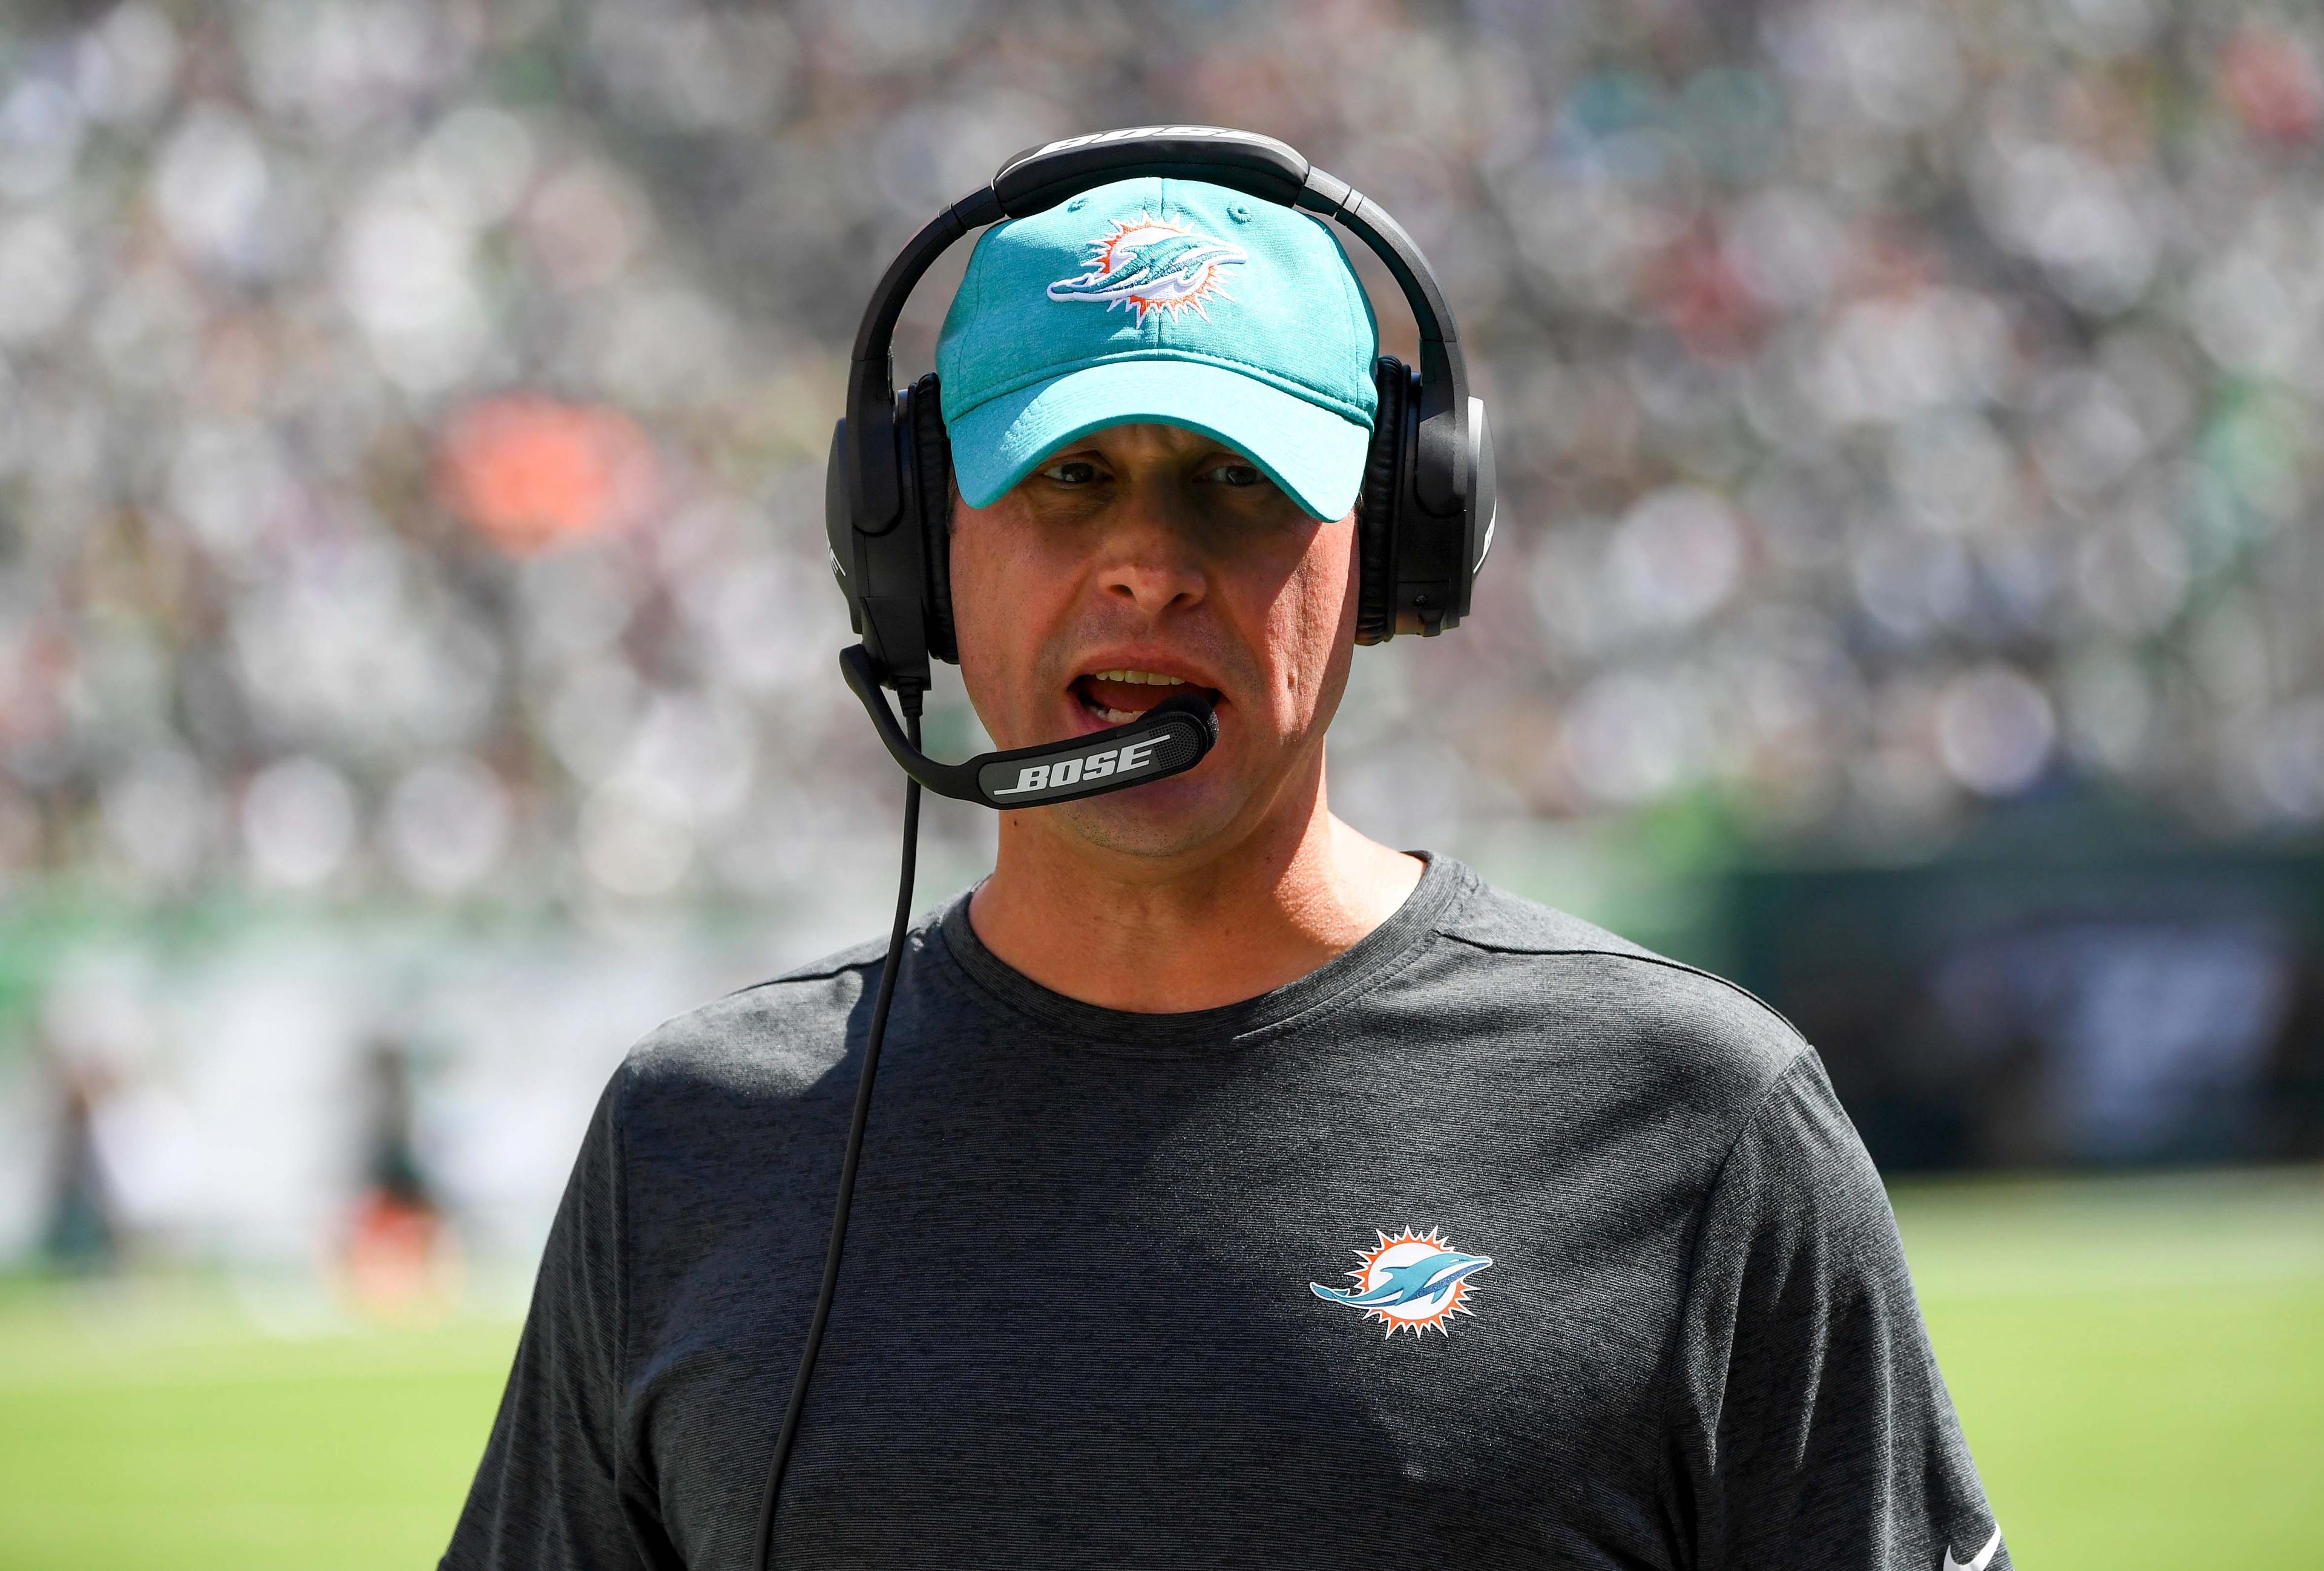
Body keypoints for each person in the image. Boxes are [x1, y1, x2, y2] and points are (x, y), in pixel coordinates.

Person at [444, 174, 2008, 1571]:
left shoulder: (1702, 1127)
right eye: (1067, 477)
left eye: (1236, 480)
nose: (1150, 560)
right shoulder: (691, 1143)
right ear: (911, 547)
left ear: (1393, 545)